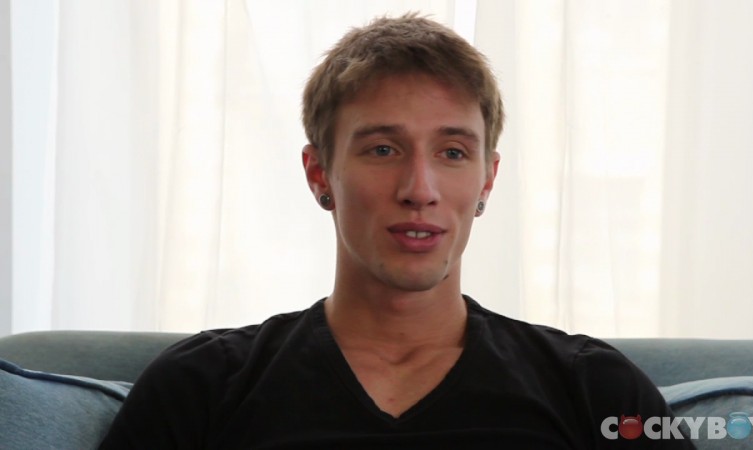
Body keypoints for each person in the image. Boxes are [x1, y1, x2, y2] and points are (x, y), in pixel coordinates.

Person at [100, 13, 694, 449]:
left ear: (488, 179)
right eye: (383, 149)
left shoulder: (594, 389)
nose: (419, 188)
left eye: (453, 152)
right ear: (318, 174)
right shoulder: (201, 386)